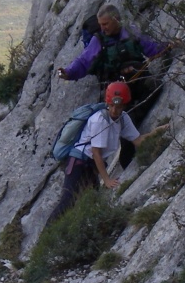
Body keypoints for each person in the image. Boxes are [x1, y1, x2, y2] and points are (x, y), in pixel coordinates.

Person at [57, 4, 169, 164]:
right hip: (116, 91)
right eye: (100, 24)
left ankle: (134, 118)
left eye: (105, 24)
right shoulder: (99, 40)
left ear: (116, 19)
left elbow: (150, 47)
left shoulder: (131, 31)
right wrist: (68, 73)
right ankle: (127, 158)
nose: (102, 28)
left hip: (137, 81)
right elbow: (84, 62)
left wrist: (167, 46)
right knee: (125, 116)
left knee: (155, 85)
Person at [46, 81, 167, 226]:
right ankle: (46, 233)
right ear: (107, 102)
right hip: (79, 161)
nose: (115, 110)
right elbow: (96, 152)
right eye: (112, 105)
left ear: (125, 105)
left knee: (91, 202)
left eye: (119, 106)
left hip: (91, 165)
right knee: (67, 200)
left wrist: (157, 132)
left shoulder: (123, 118)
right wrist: (107, 179)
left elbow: (138, 140)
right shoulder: (99, 120)